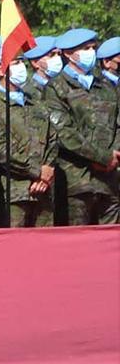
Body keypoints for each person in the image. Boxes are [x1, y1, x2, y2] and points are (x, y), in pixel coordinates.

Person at [47, 27, 118, 225]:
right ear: (68, 54)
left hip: (109, 181)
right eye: (86, 48)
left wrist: (114, 155)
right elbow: (64, 132)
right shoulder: (56, 88)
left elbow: (117, 123)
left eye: (93, 48)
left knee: (110, 245)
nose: (92, 53)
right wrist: (101, 157)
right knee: (78, 246)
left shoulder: (104, 86)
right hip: (77, 181)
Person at [0, 52, 57, 227]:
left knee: (46, 247)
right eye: (16, 62)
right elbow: (0, 149)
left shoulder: (34, 100)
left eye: (22, 62)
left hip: (44, 189)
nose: (22, 67)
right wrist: (37, 171)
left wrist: (46, 172)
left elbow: (53, 137)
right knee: (15, 249)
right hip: (14, 192)